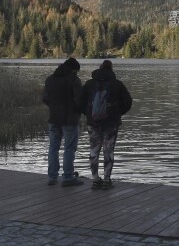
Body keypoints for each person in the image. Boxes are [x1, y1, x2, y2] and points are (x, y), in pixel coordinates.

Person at [79, 60, 132, 190]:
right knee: (108, 151)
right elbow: (128, 101)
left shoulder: (89, 84)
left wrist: (89, 114)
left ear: (99, 68)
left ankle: (95, 179)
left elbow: (80, 101)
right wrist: (118, 113)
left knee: (94, 150)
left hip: (93, 123)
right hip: (111, 123)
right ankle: (107, 180)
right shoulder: (117, 84)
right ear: (111, 70)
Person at [42, 58, 84, 187]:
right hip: (69, 120)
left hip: (54, 119)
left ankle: (52, 177)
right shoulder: (74, 81)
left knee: (53, 147)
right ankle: (68, 177)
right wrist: (78, 112)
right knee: (69, 148)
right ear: (73, 70)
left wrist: (54, 107)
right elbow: (79, 101)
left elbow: (45, 99)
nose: (77, 73)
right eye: (76, 71)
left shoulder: (50, 79)